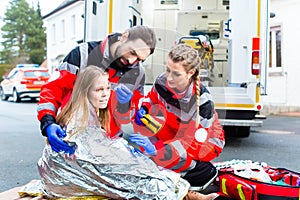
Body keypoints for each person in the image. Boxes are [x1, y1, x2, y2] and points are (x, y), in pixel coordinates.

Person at [36, 66, 219, 200]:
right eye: (99, 90)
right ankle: (188, 195)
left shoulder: (201, 105)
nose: (106, 94)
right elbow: (91, 154)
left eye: (108, 88)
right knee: (146, 180)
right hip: (65, 177)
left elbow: (119, 128)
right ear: (85, 91)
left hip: (82, 166)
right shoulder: (78, 116)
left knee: (146, 167)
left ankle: (187, 193)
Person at [37, 25, 157, 154]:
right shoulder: (83, 55)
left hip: (109, 146)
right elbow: (53, 89)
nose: (132, 60)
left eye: (139, 59)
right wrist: (48, 122)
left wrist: (125, 105)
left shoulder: (137, 73)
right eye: (132, 52)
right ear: (124, 37)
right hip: (72, 139)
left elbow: (130, 116)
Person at [132, 43, 225, 191]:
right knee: (148, 135)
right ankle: (164, 167)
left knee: (163, 158)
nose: (169, 77)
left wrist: (158, 150)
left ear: (190, 73)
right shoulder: (162, 81)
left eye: (176, 74)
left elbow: (190, 143)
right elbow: (152, 99)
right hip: (175, 130)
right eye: (168, 70)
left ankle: (202, 171)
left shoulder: (203, 103)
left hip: (203, 143)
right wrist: (143, 109)